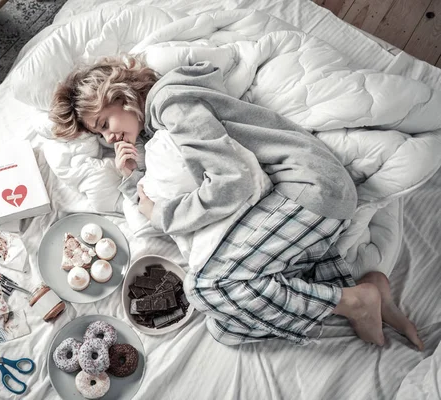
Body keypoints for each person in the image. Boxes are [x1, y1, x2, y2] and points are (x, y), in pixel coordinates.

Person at [49, 55, 423, 350]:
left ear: (117, 95)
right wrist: (131, 174)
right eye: (100, 133)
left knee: (208, 289)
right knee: (224, 327)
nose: (110, 137)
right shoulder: (158, 132)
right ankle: (369, 288)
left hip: (309, 186)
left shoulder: (170, 102)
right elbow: (161, 188)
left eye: (103, 123)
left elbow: (234, 181)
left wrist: (163, 215)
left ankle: (356, 302)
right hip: (290, 197)